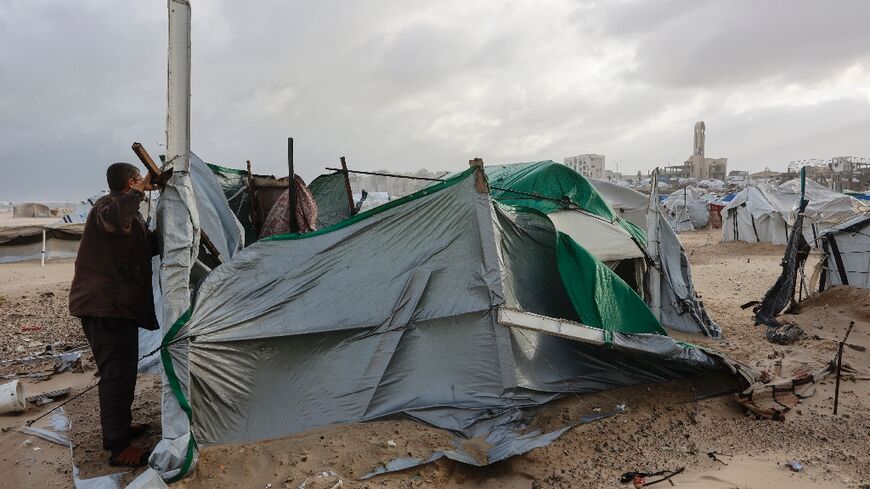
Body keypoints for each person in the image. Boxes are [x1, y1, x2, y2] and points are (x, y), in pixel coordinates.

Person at [69, 162, 159, 467]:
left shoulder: (128, 216)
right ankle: (118, 447)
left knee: (124, 371)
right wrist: (139, 192)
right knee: (116, 375)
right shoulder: (106, 208)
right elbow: (116, 218)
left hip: (117, 307)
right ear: (132, 182)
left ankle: (119, 428)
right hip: (103, 307)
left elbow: (146, 246)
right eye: (138, 184)